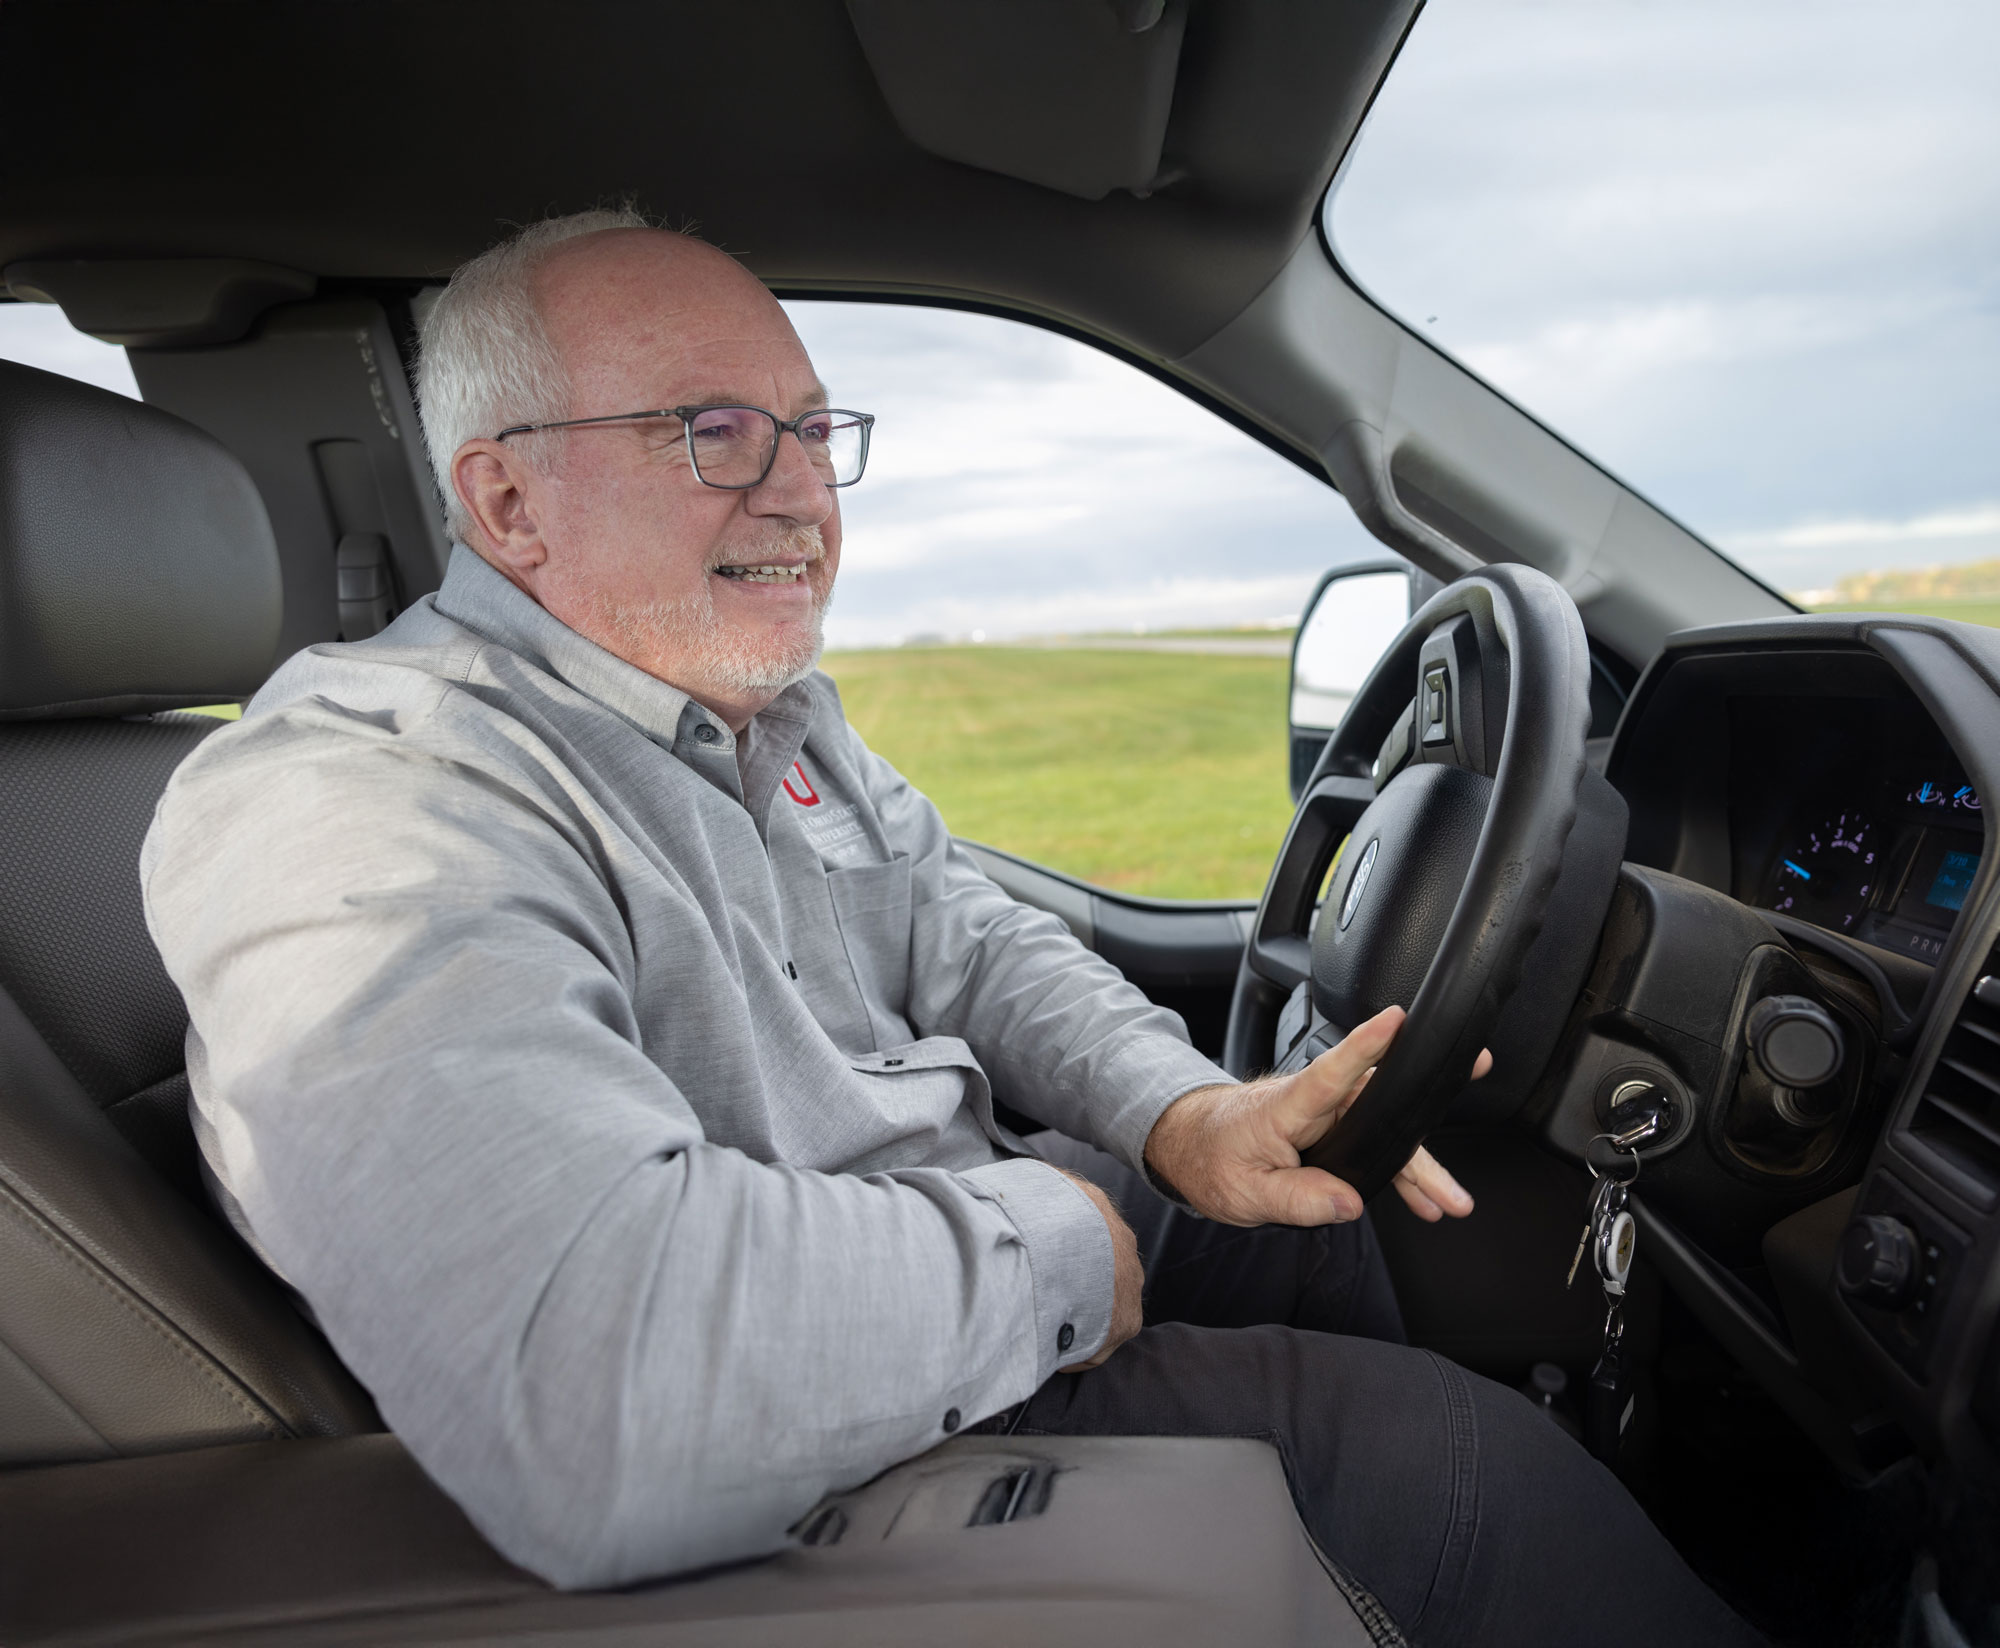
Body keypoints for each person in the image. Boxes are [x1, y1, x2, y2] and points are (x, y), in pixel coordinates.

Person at [142, 209, 1760, 1645]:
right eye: (712, 433)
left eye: (811, 428)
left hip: (968, 1233)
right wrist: (1062, 1244)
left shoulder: (765, 715)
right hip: (844, 1396)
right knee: (1468, 1476)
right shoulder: (364, 793)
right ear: (506, 499)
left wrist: (1181, 1111)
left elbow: (967, 933)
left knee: (1317, 1225)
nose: (801, 497)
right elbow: (605, 1381)